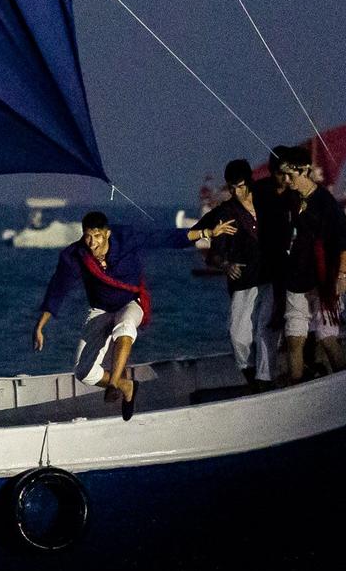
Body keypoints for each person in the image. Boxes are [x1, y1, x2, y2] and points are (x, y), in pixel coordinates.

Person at [34, 212, 188, 420]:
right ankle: (127, 386)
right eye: (88, 236)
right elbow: (58, 287)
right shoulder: (76, 255)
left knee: (124, 327)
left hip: (131, 303)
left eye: (97, 236)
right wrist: (40, 326)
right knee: (84, 373)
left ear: (107, 234)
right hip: (100, 309)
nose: (92, 242)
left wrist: (204, 232)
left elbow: (161, 238)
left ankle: (114, 383)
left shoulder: (126, 238)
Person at [187, 159, 270, 389]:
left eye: (240, 186)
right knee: (238, 335)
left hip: (272, 277)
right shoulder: (225, 212)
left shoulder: (268, 202)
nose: (236, 192)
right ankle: (252, 376)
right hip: (243, 281)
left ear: (249, 182)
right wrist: (225, 265)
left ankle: (265, 379)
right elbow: (210, 251)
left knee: (266, 328)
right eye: (231, 187)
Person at [279, 147, 346, 382]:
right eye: (283, 175)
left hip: (324, 279)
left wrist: (342, 275)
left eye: (290, 175)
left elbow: (345, 243)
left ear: (305, 171)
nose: (286, 180)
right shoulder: (288, 199)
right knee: (294, 338)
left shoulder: (327, 203)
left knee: (327, 337)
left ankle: (344, 383)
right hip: (297, 277)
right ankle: (296, 387)